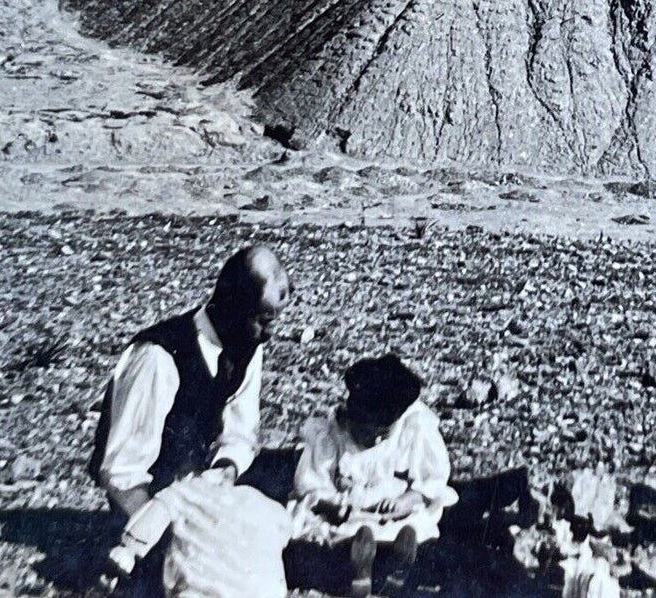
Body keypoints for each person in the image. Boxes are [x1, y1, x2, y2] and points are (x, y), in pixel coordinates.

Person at [90, 245, 291, 591]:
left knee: (295, 473)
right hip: (150, 498)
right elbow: (121, 472)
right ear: (232, 309)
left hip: (205, 482)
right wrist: (178, 521)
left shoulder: (246, 343)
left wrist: (226, 469)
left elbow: (242, 430)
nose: (270, 333)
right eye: (263, 320)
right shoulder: (158, 356)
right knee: (225, 550)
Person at [289, 354, 457, 597]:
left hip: (393, 515)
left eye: (384, 433)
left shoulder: (414, 427)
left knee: (411, 528)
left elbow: (433, 479)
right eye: (368, 432)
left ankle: (397, 566)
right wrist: (333, 504)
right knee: (336, 537)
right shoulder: (333, 433)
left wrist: (408, 499)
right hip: (348, 515)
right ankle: (360, 571)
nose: (377, 440)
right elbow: (311, 484)